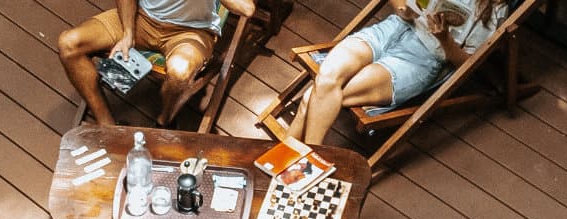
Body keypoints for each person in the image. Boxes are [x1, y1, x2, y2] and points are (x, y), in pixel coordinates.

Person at [286, 0, 508, 145]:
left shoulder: (496, 9)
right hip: (393, 28)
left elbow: (468, 63)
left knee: (313, 96)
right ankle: (305, 165)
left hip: (422, 58)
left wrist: (445, 39)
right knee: (325, 80)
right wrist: (403, 6)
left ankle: (295, 162)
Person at [59, 0, 255, 127]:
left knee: (179, 73)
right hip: (142, 19)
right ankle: (105, 122)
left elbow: (247, 8)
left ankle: (165, 119)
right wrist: (128, 33)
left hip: (190, 31)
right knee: (69, 44)